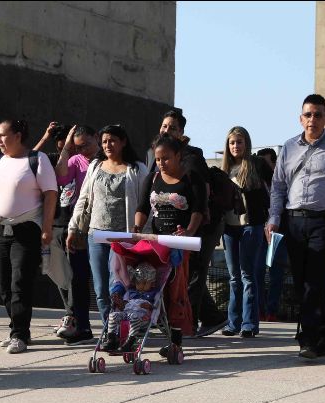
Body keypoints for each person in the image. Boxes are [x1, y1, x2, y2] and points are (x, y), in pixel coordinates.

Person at [267, 94, 325, 360]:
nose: (312, 120)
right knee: (301, 283)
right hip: (294, 221)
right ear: (300, 118)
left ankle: (309, 339)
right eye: (308, 115)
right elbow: (278, 187)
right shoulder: (288, 147)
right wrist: (273, 218)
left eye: (318, 115)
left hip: (324, 221)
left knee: (315, 281)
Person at [0, 120, 57, 354]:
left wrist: (46, 227)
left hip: (27, 229)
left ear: (18, 136)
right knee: (0, 279)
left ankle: (18, 334)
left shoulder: (37, 160)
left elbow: (51, 194)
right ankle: (18, 327)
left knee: (20, 280)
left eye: (3, 135)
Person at [145, 110, 228, 337]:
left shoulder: (191, 156)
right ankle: (213, 316)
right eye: (164, 126)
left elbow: (202, 195)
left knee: (192, 274)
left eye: (172, 128)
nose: (166, 131)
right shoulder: (157, 156)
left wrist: (192, 229)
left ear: (181, 133)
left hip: (200, 224)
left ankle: (182, 325)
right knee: (182, 272)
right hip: (171, 227)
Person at [67, 125, 149, 330]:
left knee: (119, 286)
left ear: (123, 142)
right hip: (96, 234)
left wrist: (142, 234)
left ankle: (125, 327)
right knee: (101, 288)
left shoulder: (137, 168)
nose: (107, 145)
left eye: (112, 140)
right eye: (104, 141)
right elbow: (83, 198)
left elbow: (145, 204)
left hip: (124, 237)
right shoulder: (95, 166)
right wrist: (73, 228)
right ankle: (109, 330)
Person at [135, 133, 205, 353]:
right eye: (157, 159)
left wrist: (189, 232)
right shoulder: (153, 178)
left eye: (166, 158)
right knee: (150, 287)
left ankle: (176, 340)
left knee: (176, 290)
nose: (161, 163)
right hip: (155, 243)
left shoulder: (192, 178)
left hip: (179, 244)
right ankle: (142, 328)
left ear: (178, 156)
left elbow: (198, 210)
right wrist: (137, 227)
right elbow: (142, 208)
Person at [50, 125, 100, 345]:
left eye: (87, 144)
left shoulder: (107, 159)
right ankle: (82, 326)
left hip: (102, 224)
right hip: (79, 225)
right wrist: (68, 147)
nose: (84, 150)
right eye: (79, 147)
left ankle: (113, 326)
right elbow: (60, 174)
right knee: (78, 277)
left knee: (103, 279)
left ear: (96, 138)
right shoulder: (76, 159)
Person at [220, 127, 272, 338]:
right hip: (230, 228)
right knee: (234, 277)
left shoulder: (256, 165)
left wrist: (271, 218)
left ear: (246, 143)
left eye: (239, 142)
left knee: (247, 276)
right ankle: (233, 323)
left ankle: (249, 324)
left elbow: (275, 186)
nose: (235, 146)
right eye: (232, 143)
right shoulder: (224, 170)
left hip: (252, 225)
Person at [255, 148, 285, 323]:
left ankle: (272, 310)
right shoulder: (257, 182)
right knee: (257, 271)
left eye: (265, 162)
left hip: (276, 232)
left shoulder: (280, 182)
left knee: (276, 273)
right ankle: (259, 310)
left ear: (274, 163)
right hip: (260, 231)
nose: (261, 166)